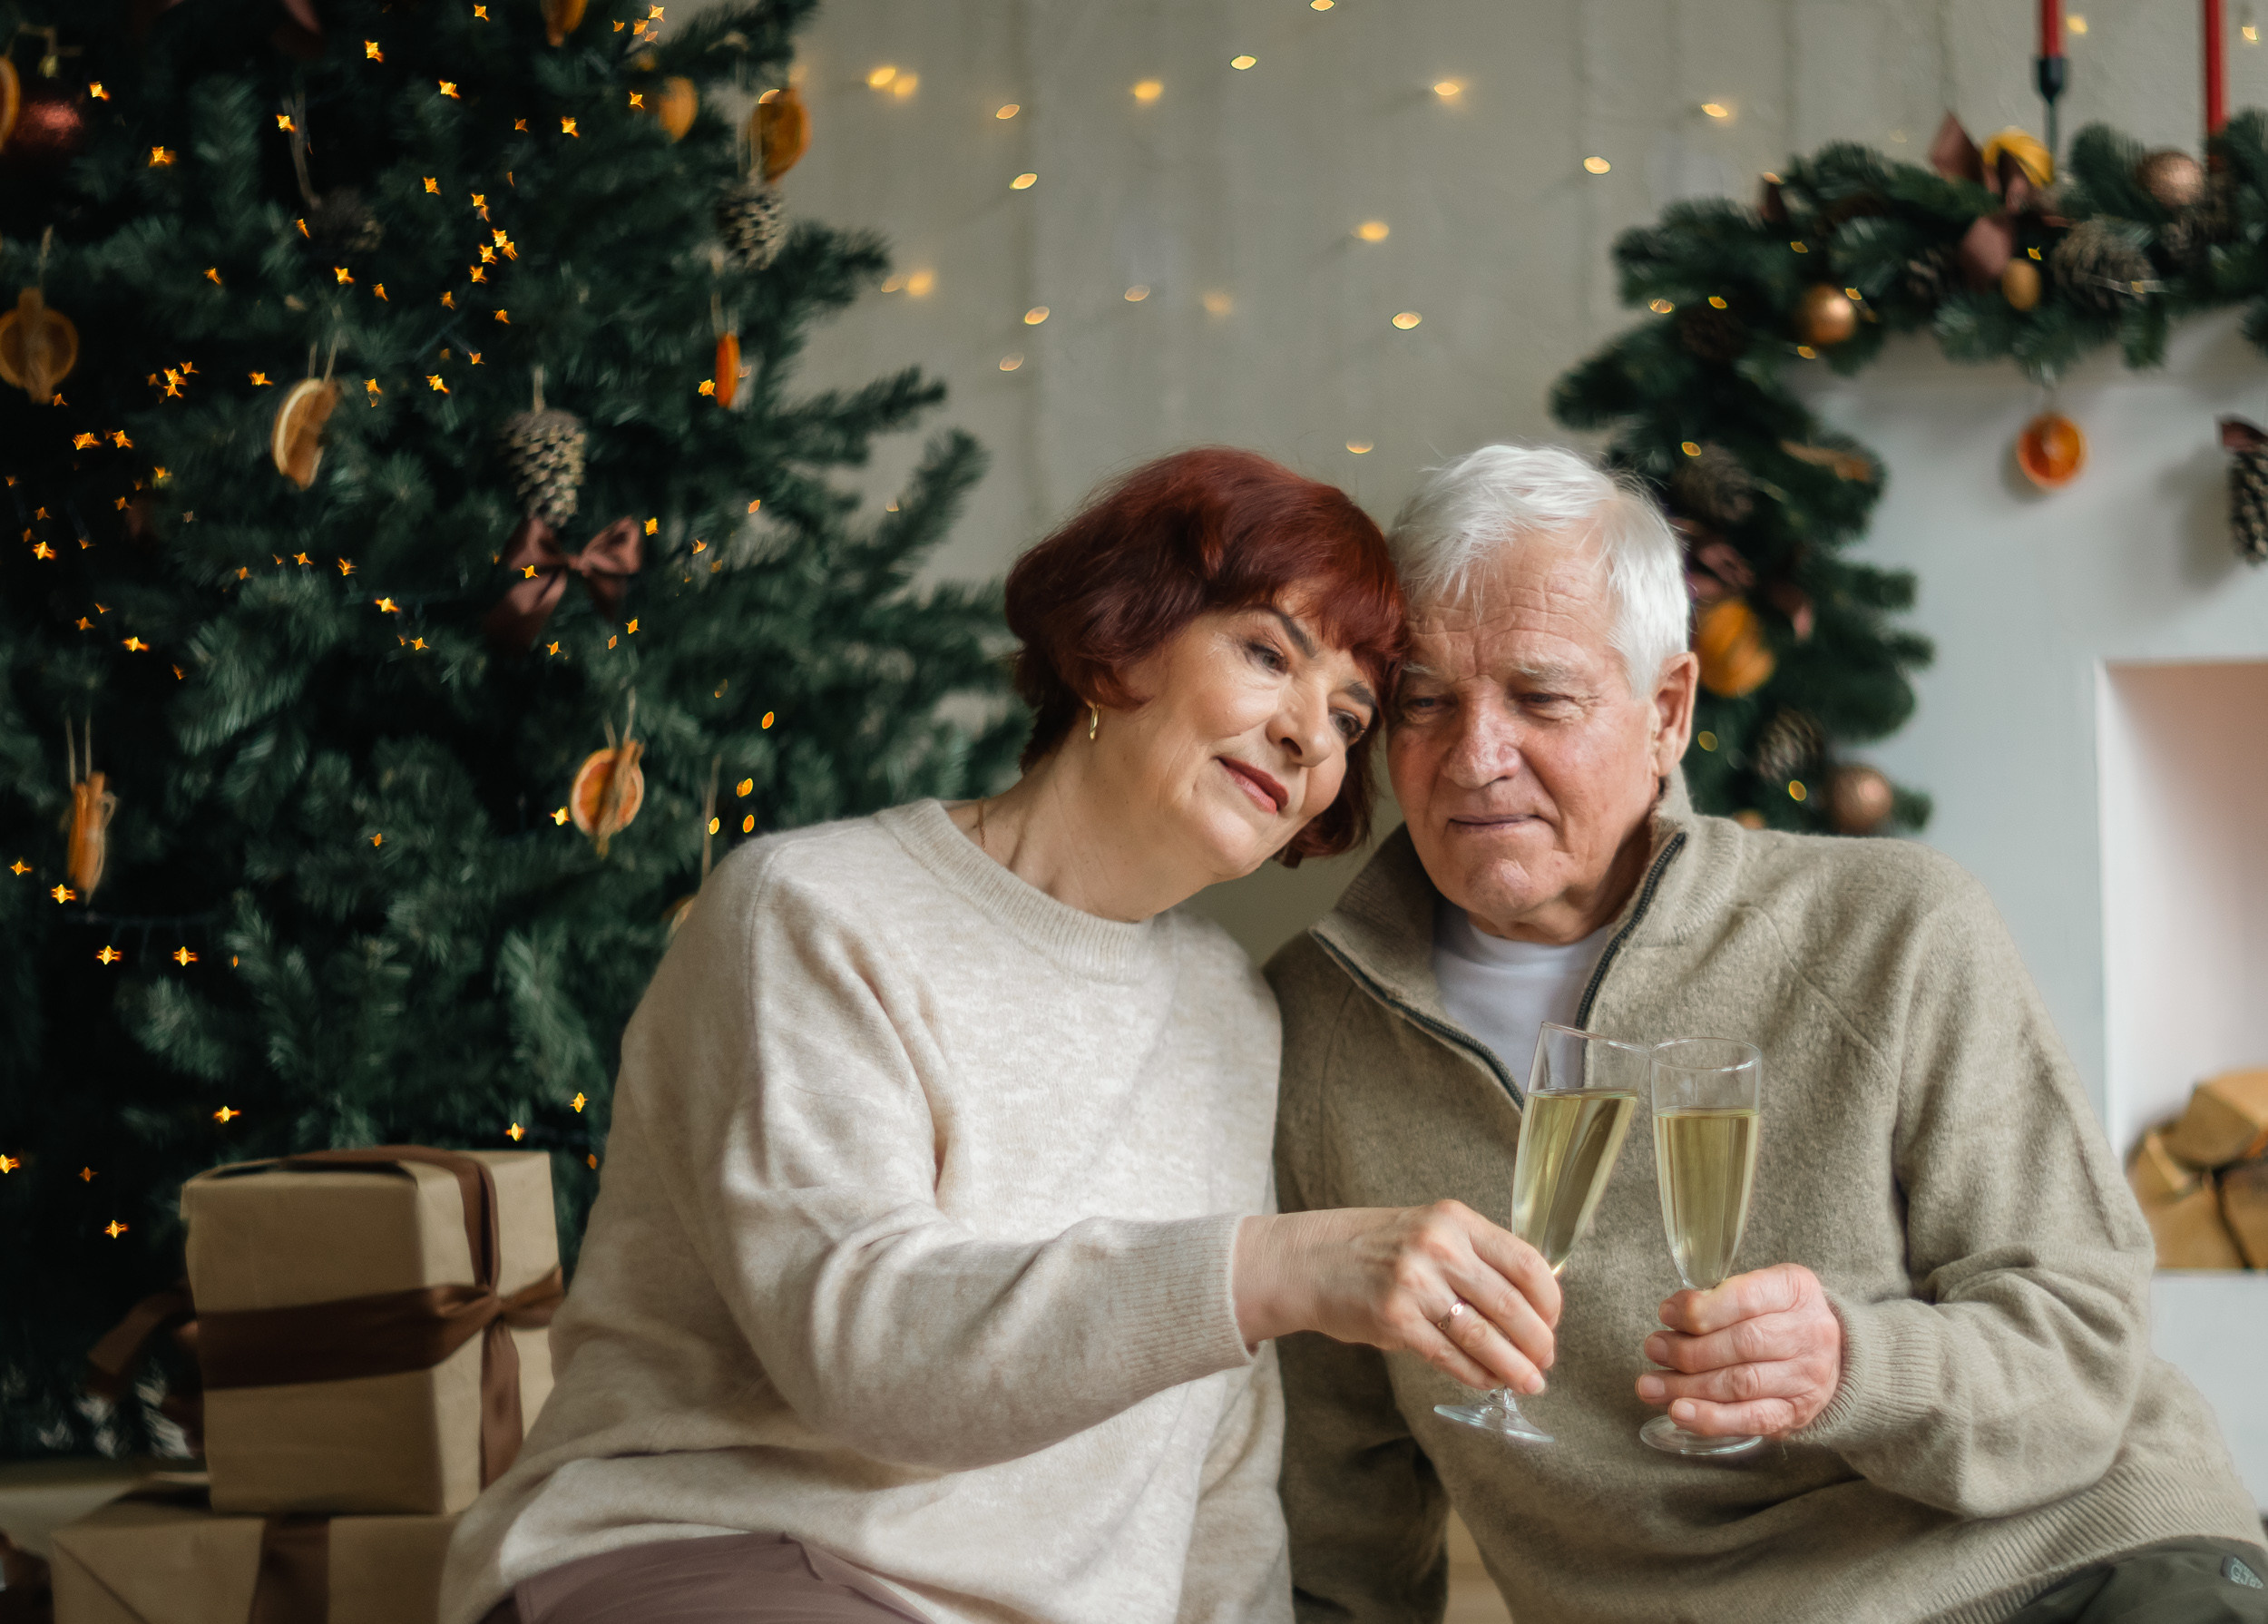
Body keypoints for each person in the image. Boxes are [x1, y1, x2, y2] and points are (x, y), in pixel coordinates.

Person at [440, 447, 1563, 1624]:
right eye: (1268, 653)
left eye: (1350, 714)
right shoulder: (814, 912)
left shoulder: (1232, 1011)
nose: (1306, 737)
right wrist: (1273, 1265)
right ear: (1117, 640)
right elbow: (862, 1351)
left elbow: (1218, 1469)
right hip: (726, 1554)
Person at [1268, 444, 2268, 1624]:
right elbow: (1339, 1496)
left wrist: (1854, 1365)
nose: (1476, 757)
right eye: (1427, 701)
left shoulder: (1896, 927)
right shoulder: (1315, 1030)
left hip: (2063, 1562)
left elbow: (2082, 1354)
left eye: (1540, 697)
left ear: (1668, 713)